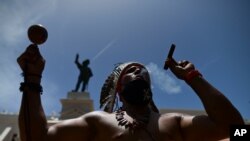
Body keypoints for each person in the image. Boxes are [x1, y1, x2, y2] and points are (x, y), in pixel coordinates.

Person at [17, 46, 244, 141]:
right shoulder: (97, 121)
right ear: (118, 88)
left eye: (143, 71)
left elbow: (237, 131)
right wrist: (32, 79)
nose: (138, 72)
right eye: (131, 70)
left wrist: (193, 77)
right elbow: (35, 138)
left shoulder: (174, 123)